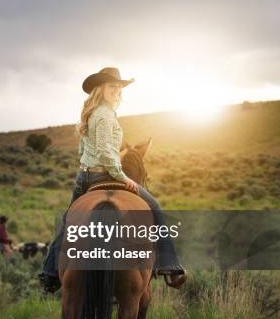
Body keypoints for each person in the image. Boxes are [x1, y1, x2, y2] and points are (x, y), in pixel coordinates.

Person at [38, 67, 186, 293]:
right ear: (101, 88)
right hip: (103, 172)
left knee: (69, 222)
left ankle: (49, 272)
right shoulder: (105, 115)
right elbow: (108, 154)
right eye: (112, 86)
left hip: (84, 176)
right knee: (154, 207)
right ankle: (169, 265)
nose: (117, 90)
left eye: (119, 87)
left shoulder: (92, 112)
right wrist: (122, 176)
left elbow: (85, 149)